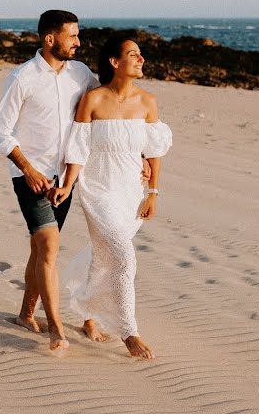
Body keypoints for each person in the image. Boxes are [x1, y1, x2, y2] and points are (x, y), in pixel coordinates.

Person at [50, 34, 172, 359]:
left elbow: (154, 150)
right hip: (97, 190)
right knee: (124, 257)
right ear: (115, 62)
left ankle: (88, 314)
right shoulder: (92, 100)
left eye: (141, 53)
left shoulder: (147, 102)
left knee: (104, 254)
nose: (141, 58)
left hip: (131, 192)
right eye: (133, 54)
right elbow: (78, 149)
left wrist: (153, 192)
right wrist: (67, 185)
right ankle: (129, 332)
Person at [0, 10, 99, 353]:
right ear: (50, 39)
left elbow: (103, 107)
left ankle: (26, 313)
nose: (78, 42)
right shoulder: (22, 77)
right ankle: (55, 327)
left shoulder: (81, 74)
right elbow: (2, 132)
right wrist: (28, 170)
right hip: (31, 176)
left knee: (40, 249)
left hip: (65, 177)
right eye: (73, 36)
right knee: (50, 246)